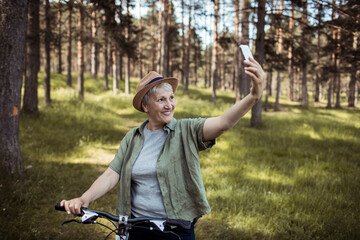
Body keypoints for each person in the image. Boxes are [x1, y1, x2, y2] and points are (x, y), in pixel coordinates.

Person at [60, 57, 265, 240]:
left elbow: (223, 123)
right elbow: (112, 174)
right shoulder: (133, 137)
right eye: (161, 100)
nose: (169, 105)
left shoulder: (186, 130)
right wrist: (84, 198)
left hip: (175, 230)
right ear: (145, 106)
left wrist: (253, 96)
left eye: (171, 98)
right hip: (135, 228)